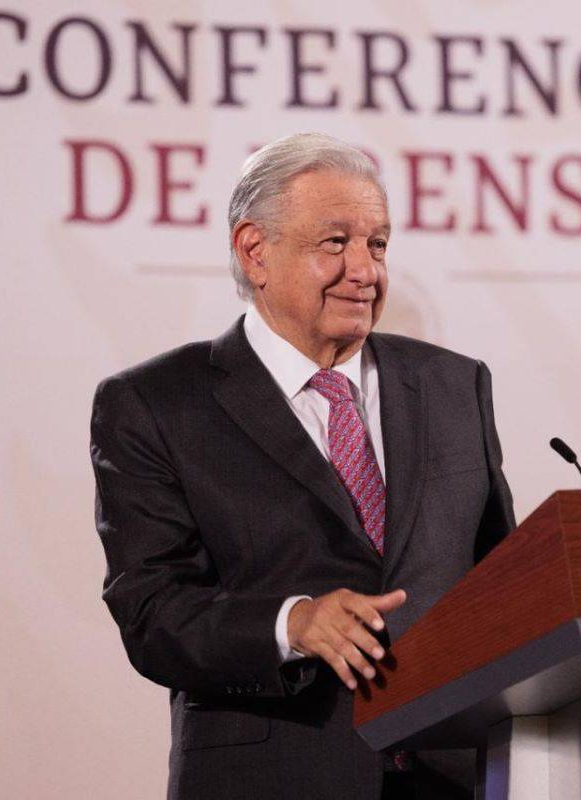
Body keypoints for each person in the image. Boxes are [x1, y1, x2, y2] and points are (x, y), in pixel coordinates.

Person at [89, 133, 515, 799]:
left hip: (451, 776)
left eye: (377, 244)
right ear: (254, 251)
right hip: (272, 776)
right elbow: (151, 613)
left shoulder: (454, 385)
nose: (366, 270)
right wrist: (292, 624)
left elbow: (501, 584)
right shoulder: (156, 404)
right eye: (335, 243)